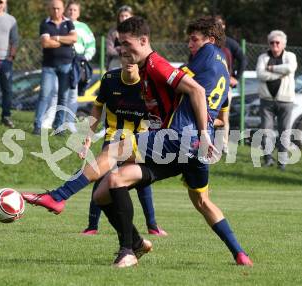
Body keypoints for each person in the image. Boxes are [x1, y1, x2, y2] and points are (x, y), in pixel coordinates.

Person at [22, 16, 252, 268]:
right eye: (120, 44)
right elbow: (213, 102)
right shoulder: (219, 67)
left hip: (178, 138)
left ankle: (60, 196)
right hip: (193, 150)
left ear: (209, 39)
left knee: (115, 149)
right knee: (107, 189)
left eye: (194, 39)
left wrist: (203, 131)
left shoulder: (181, 58)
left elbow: (195, 90)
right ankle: (239, 254)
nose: (190, 44)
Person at [79, 56, 166, 236]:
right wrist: (88, 137)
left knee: (141, 181)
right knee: (101, 176)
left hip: (140, 138)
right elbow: (97, 107)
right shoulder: (110, 79)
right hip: (114, 137)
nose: (129, 60)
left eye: (133, 57)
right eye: (125, 55)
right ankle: (92, 226)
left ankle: (152, 225)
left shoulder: (149, 83)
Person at [32, 0, 77, 135]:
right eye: (53, 8)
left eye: (58, 8)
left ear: (63, 9)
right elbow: (45, 43)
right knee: (44, 95)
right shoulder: (44, 23)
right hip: (48, 66)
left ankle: (59, 127)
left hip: (66, 65)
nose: (56, 11)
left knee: (63, 97)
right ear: (49, 9)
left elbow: (74, 38)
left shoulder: (69, 22)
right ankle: (37, 125)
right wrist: (64, 41)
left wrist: (56, 38)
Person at [256, 30, 297, 171]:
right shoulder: (263, 57)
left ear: (283, 44)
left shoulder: (290, 56)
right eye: (272, 42)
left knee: (284, 131)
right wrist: (279, 75)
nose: (274, 45)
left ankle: (282, 162)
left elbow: (290, 68)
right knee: (266, 130)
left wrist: (272, 68)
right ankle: (268, 159)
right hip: (266, 100)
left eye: (277, 42)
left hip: (286, 100)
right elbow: (260, 74)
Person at [214, 15, 247, 154]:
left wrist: (236, 77)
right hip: (208, 85)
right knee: (208, 115)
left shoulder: (230, 43)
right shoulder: (207, 42)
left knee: (224, 116)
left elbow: (243, 59)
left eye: (220, 24)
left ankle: (224, 145)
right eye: (215, 24)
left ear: (224, 26)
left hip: (225, 86)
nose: (218, 27)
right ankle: (208, 144)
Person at [106, 5, 133, 71]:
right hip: (116, 61)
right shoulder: (113, 32)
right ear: (119, 17)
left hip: (132, 61)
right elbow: (109, 50)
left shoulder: (135, 31)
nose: (124, 18)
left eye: (126, 16)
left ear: (131, 16)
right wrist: (121, 51)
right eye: (122, 16)